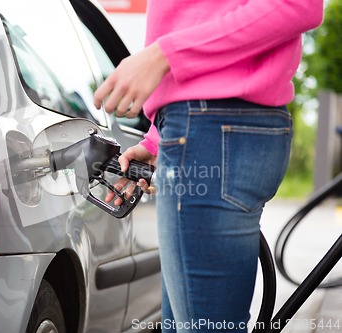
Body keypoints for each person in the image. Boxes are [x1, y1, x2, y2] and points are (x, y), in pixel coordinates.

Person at [93, 1, 324, 332]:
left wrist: (164, 55)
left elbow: (297, 6)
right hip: (206, 129)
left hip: (210, 129)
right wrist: (157, 140)